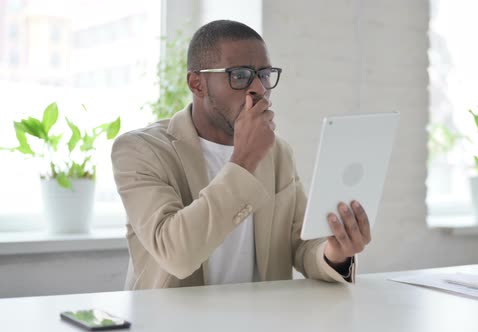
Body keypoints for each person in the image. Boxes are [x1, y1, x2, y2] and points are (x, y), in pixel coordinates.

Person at [111, 20, 372, 290]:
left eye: (264, 74)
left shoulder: (277, 152)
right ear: (197, 83)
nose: (259, 88)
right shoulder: (140, 150)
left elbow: (301, 243)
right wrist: (244, 160)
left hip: (260, 319)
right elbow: (176, 254)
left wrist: (335, 252)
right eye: (240, 75)